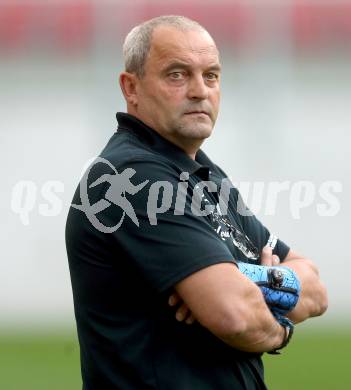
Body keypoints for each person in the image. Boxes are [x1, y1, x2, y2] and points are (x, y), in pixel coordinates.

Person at [65, 15, 328, 390]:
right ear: (131, 88)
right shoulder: (129, 177)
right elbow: (234, 315)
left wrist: (244, 278)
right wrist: (281, 327)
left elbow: (316, 288)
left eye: (211, 75)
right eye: (177, 74)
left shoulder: (203, 172)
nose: (199, 91)